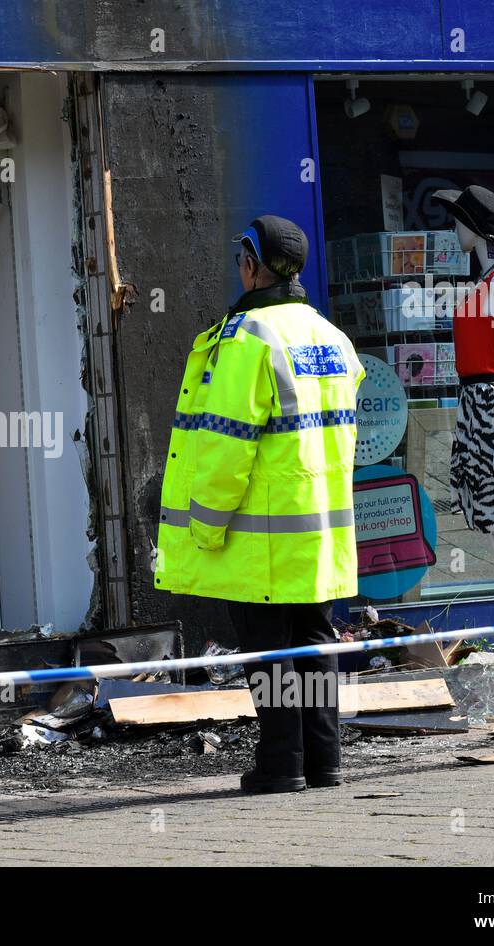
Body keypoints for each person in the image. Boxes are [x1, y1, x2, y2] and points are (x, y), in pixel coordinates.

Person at [154, 215, 364, 794]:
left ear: (251, 264)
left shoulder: (247, 339)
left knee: (269, 649)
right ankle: (324, 761)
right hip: (319, 528)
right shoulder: (331, 337)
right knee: (316, 641)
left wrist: (204, 525)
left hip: (260, 535)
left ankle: (282, 763)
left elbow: (226, 447)